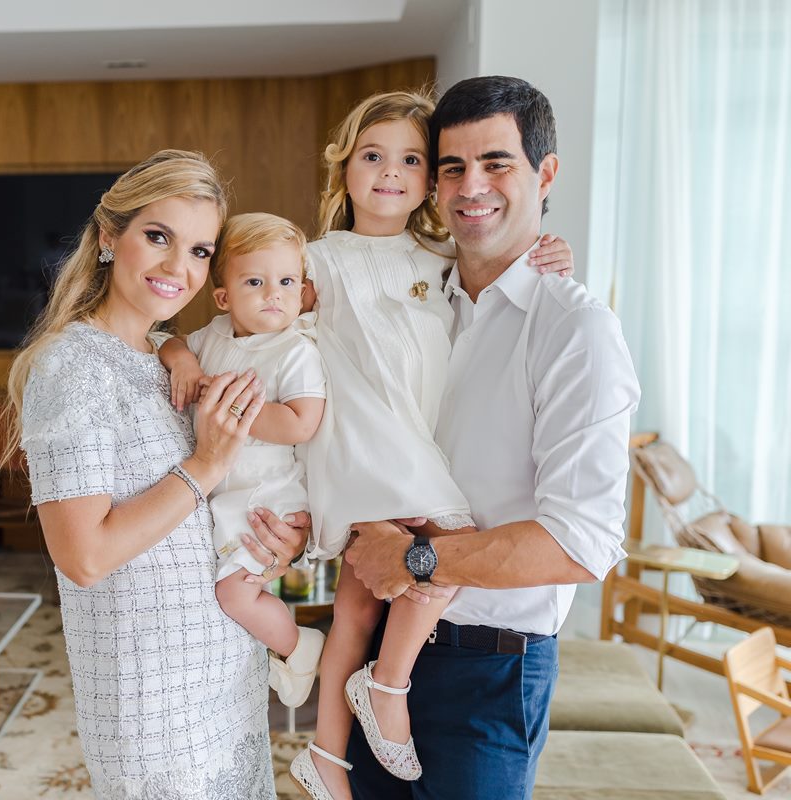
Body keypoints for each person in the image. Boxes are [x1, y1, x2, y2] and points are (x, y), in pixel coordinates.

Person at [342, 76, 642, 800]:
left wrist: (415, 559)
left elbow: (582, 543)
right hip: (376, 647)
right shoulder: (410, 299)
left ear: (546, 172)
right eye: (451, 167)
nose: (472, 186)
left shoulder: (576, 331)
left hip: (491, 674)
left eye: (497, 163)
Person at [285, 90, 574, 800]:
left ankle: (327, 755)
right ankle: (385, 690)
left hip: (408, 448)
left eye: (412, 160)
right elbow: (253, 324)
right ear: (342, 168)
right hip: (361, 445)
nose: (390, 172)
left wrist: (549, 254)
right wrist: (180, 355)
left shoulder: (441, 257)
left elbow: (499, 270)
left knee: (360, 602)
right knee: (443, 554)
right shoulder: (312, 261)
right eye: (373, 156)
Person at [2, 149, 308, 800]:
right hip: (150, 702)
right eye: (159, 237)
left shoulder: (175, 356)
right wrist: (204, 465)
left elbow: (207, 512)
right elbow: (84, 557)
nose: (178, 267)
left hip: (228, 669)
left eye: (200, 251)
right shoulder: (72, 368)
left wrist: (279, 543)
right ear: (110, 236)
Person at [159, 212, 328, 709]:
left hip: (267, 497)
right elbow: (167, 342)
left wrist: (229, 408)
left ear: (302, 291)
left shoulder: (294, 350)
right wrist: (185, 362)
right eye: (255, 281)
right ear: (224, 297)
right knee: (211, 589)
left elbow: (301, 422)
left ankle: (300, 645)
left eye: (286, 281)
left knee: (234, 594)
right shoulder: (211, 337)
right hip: (223, 491)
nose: (273, 294)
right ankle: (270, 661)